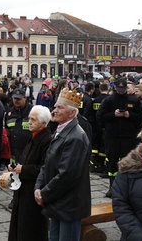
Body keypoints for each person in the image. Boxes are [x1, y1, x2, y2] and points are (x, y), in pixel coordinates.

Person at [34, 87, 91, 241]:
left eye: (60, 107)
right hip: (57, 201)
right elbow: (47, 163)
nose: (55, 110)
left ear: (72, 113)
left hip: (68, 205)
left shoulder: (76, 137)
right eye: (55, 106)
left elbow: (67, 175)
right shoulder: (61, 131)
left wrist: (44, 193)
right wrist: (38, 187)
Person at [8, 105, 52, 241]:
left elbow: (45, 168)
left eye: (34, 120)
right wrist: (16, 167)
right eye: (29, 119)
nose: (30, 122)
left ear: (43, 123)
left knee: (31, 226)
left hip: (33, 189)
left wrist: (24, 169)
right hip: (23, 187)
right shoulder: (33, 136)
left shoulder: (46, 139)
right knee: (20, 222)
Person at [96, 78, 142, 197]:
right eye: (119, 89)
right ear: (115, 88)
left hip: (128, 136)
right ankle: (112, 187)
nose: (121, 91)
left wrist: (129, 115)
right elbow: (100, 117)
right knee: (112, 163)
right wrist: (113, 115)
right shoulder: (108, 101)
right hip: (112, 136)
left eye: (124, 89)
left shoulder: (134, 100)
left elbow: (141, 117)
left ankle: (126, 187)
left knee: (127, 162)